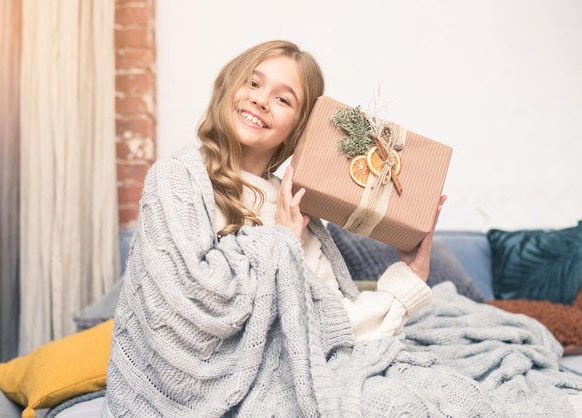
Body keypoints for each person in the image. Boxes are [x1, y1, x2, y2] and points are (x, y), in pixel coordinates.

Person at [104, 40, 582, 417]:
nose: (260, 100)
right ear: (230, 87)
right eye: (253, 83)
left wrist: (409, 279)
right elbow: (188, 306)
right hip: (232, 383)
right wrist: (280, 244)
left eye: (283, 98)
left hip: (318, 365)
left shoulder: (296, 201)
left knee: (454, 387)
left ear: (296, 127)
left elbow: (331, 323)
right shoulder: (179, 178)